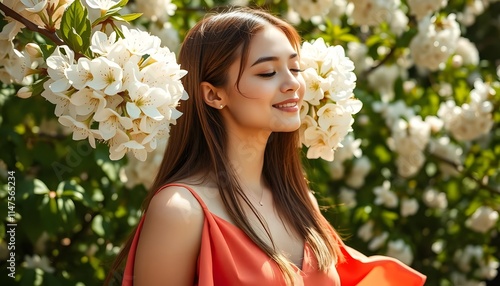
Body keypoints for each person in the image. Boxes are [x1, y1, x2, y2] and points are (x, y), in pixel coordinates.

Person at [106, 7, 427, 286]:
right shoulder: (180, 211)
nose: (292, 83)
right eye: (268, 72)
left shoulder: (302, 203)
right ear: (214, 95)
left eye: (296, 68)